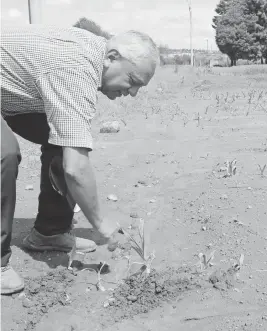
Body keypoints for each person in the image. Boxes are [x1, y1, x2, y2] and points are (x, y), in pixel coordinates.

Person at [1, 24, 159, 295]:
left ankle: (49, 232)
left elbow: (71, 147)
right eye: (132, 81)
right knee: (4, 153)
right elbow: (75, 170)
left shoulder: (92, 54)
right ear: (112, 57)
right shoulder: (74, 70)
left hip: (11, 92)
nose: (132, 93)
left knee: (65, 136)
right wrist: (100, 223)